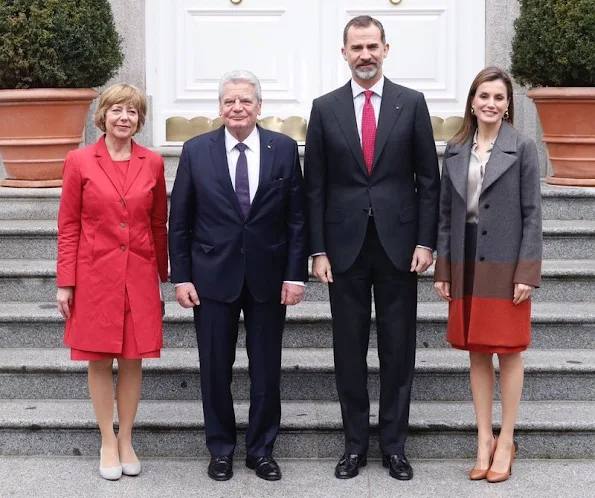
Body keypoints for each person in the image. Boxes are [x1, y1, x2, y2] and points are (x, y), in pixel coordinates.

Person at [304, 16, 440, 480]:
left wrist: (426, 241)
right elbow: (314, 186)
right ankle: (354, 447)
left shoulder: (412, 103)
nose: (365, 54)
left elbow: (429, 181)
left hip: (401, 246)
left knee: (398, 350)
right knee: (348, 350)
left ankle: (395, 448)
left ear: (386, 49)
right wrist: (317, 249)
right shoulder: (325, 108)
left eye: (372, 46)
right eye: (356, 47)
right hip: (343, 249)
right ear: (344, 53)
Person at [168, 70, 308, 482]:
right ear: (219, 108)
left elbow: (296, 219)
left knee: (266, 369)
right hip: (211, 277)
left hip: (268, 276)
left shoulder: (282, 148)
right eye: (229, 101)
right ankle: (221, 450)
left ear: (259, 106)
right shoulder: (196, 151)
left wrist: (295, 276)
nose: (237, 108)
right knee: (214, 368)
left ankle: (261, 450)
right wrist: (182, 277)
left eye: (245, 100)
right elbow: (180, 221)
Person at [434, 66, 542, 483]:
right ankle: (484, 439)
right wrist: (443, 268)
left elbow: (533, 215)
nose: (491, 104)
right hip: (465, 257)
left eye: (499, 97)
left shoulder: (523, 147)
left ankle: (507, 439)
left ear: (508, 104)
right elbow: (445, 215)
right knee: (477, 350)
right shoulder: (456, 149)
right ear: (472, 101)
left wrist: (527, 272)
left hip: (506, 260)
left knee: (509, 350)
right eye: (484, 96)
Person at [56, 83, 168, 480]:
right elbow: (68, 224)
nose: (124, 118)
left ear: (140, 120)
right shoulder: (79, 160)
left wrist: (165, 277)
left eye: (133, 112)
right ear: (102, 115)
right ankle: (107, 439)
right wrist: (65, 281)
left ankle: (126, 439)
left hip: (138, 274)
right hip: (93, 276)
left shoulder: (153, 162)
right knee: (100, 359)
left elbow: (158, 223)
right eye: (117, 110)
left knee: (134, 358)